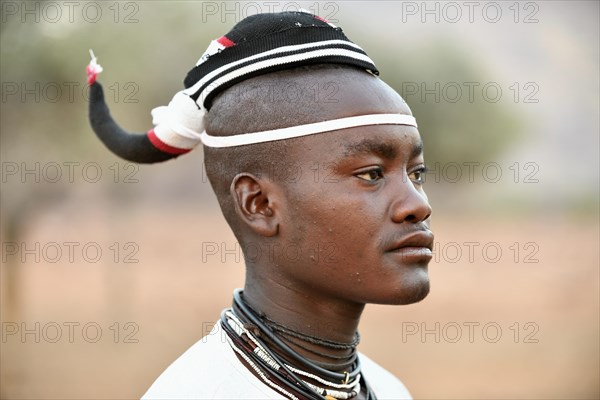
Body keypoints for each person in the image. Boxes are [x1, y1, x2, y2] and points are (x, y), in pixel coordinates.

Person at [87, 10, 433, 400]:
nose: (416, 205)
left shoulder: (388, 391)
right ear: (260, 204)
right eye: (371, 174)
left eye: (416, 173)